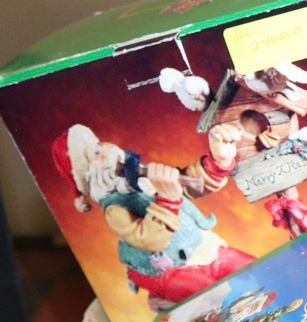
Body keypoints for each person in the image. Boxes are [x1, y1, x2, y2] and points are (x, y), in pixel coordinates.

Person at [51, 123, 254, 311]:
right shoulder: (115, 209)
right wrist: (167, 198)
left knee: (251, 268)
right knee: (217, 298)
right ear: (91, 174)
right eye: (96, 154)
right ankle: (169, 301)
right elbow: (150, 240)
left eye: (99, 145)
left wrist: (219, 161)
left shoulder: (143, 179)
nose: (107, 150)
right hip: (167, 270)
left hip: (201, 246)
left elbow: (190, 184)